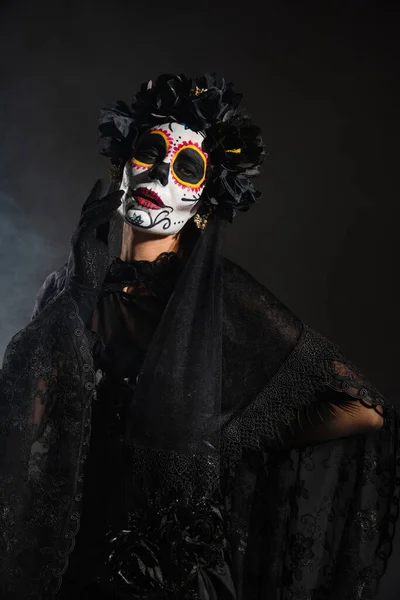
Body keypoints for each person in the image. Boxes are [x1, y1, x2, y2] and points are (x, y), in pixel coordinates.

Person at [0, 73, 398, 600]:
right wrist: (76, 293)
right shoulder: (70, 285)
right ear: (123, 164)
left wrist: (217, 435)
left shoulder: (218, 297)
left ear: (205, 203)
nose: (160, 170)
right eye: (149, 151)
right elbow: (25, 425)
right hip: (77, 562)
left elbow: (364, 408)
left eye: (186, 167)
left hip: (166, 575)